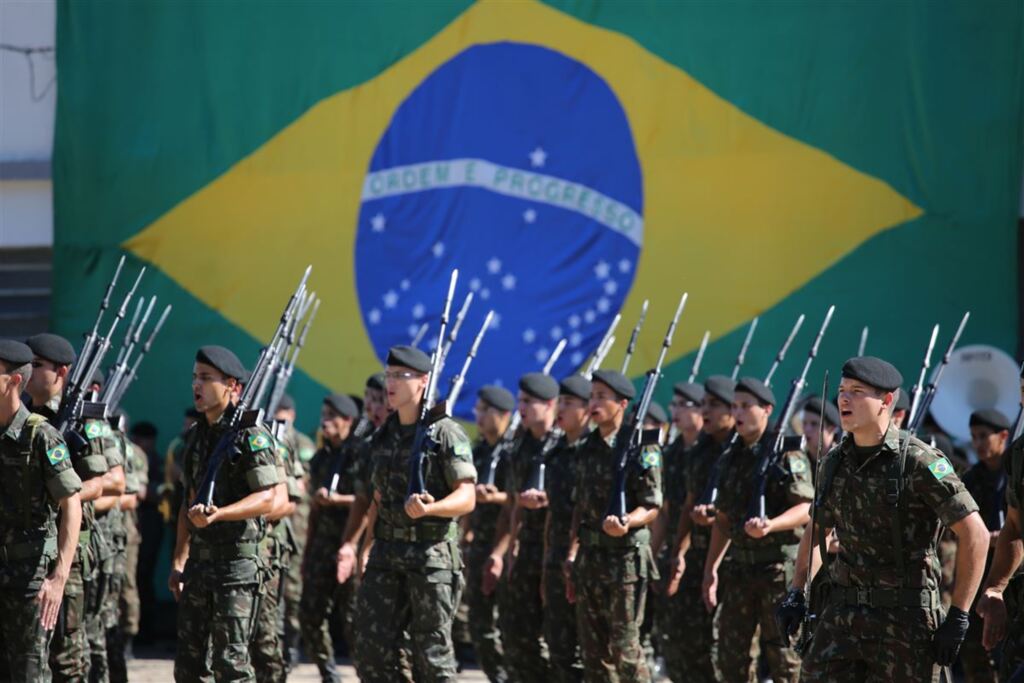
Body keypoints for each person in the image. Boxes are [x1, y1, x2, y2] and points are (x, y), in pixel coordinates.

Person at [777, 356, 989, 681]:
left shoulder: (920, 461)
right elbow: (817, 530)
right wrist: (797, 592)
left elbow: (976, 533)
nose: (843, 399)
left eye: (857, 391)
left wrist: (959, 615)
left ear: (886, 401)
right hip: (843, 614)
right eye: (842, 390)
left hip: (905, 620)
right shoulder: (833, 463)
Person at [352, 345, 476, 682]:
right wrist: (365, 547)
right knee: (371, 650)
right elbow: (378, 498)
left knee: (432, 658)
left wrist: (432, 508)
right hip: (386, 555)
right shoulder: (384, 434)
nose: (389, 383)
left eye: (399, 376)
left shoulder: (445, 432)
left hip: (431, 557)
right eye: (388, 376)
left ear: (423, 381)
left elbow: (467, 496)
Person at [170, 346, 280, 681]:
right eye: (194, 378)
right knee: (188, 667)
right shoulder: (196, 437)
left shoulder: (251, 437)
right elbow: (187, 504)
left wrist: (220, 514)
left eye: (205, 378)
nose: (196, 386)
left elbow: (268, 498)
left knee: (230, 666)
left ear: (232, 386)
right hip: (200, 565)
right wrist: (179, 559)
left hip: (236, 567)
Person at [702, 376, 811, 683]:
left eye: (746, 406)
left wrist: (771, 525)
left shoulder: (786, 452)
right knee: (730, 654)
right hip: (739, 570)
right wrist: (712, 568)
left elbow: (806, 508)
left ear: (766, 410)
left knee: (785, 659)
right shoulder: (730, 456)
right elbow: (722, 520)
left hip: (778, 570)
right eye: (734, 406)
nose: (738, 412)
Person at [570, 369, 661, 683]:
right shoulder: (586, 448)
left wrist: (627, 521)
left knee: (625, 647)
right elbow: (579, 509)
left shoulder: (642, 447)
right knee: (593, 652)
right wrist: (572, 558)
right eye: (591, 396)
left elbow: (652, 505)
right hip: (590, 559)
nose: (593, 402)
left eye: (601, 397)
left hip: (625, 561)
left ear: (622, 404)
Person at [0, 339, 83, 681]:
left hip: (28, 579)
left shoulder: (41, 436)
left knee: (29, 674)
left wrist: (59, 577)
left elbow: (72, 504)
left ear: (14, 381)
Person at [497, 372, 560, 682]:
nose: (520, 407)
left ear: (549, 404)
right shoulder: (518, 447)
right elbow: (512, 504)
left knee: (557, 636)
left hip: (558, 550)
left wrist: (548, 500)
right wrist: (509, 551)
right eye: (519, 400)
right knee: (516, 631)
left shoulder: (563, 445)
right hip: (526, 550)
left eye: (528, 401)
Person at [301, 393, 364, 683]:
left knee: (354, 619)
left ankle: (367, 672)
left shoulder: (361, 456)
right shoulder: (321, 458)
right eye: (323, 414)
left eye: (332, 416)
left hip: (351, 544)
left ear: (348, 421)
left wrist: (338, 500)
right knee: (310, 613)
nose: (325, 421)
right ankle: (328, 672)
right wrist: (308, 548)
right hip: (322, 545)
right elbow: (313, 509)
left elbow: (369, 502)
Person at [652, 381, 704, 682]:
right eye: (674, 405)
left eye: (683, 406)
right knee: (674, 636)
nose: (676, 412)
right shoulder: (670, 454)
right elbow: (665, 509)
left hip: (703, 553)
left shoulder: (711, 453)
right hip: (674, 554)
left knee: (702, 641)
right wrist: (656, 554)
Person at [464, 385, 515, 682]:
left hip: (508, 544)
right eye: (478, 410)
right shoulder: (479, 450)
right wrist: (466, 533)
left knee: (509, 622)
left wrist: (493, 497)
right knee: (479, 622)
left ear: (504, 415)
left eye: (485, 410)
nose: (478, 416)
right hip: (480, 543)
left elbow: (519, 498)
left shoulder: (513, 449)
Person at [542, 374, 591, 683]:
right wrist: (548, 559)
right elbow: (554, 512)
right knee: (558, 645)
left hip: (586, 559)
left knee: (589, 649)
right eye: (560, 402)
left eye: (569, 403)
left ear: (587, 409)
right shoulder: (556, 454)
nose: (561, 408)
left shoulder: (593, 453)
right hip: (557, 557)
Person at [957, 409, 1012, 682]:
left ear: (1003, 436)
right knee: (975, 658)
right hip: (980, 578)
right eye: (973, 437)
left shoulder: (1015, 472)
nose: (977, 443)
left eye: (983, 436)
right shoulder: (972, 479)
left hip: (1013, 578)